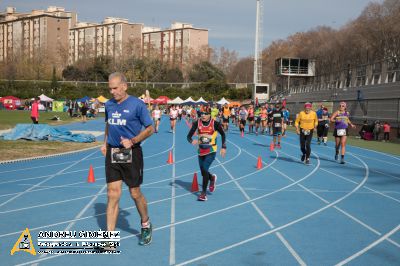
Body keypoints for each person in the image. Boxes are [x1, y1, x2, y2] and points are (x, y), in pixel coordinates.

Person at [101, 72, 155, 247]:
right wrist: (104, 143)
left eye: (115, 88)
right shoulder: (109, 105)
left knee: (135, 193)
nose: (112, 91)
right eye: (110, 88)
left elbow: (150, 129)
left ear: (125, 86)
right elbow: (109, 124)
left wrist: (132, 141)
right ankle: (110, 238)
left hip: (131, 153)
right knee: (112, 193)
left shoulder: (137, 105)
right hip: (113, 152)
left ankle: (145, 224)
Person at [187, 106, 226, 201]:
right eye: (201, 114)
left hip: (211, 150)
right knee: (203, 172)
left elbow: (223, 134)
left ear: (210, 114)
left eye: (205, 114)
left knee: (204, 169)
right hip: (200, 151)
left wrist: (223, 147)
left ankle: (203, 194)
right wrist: (191, 141)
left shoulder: (215, 124)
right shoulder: (197, 123)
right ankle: (212, 178)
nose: (203, 116)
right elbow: (188, 136)